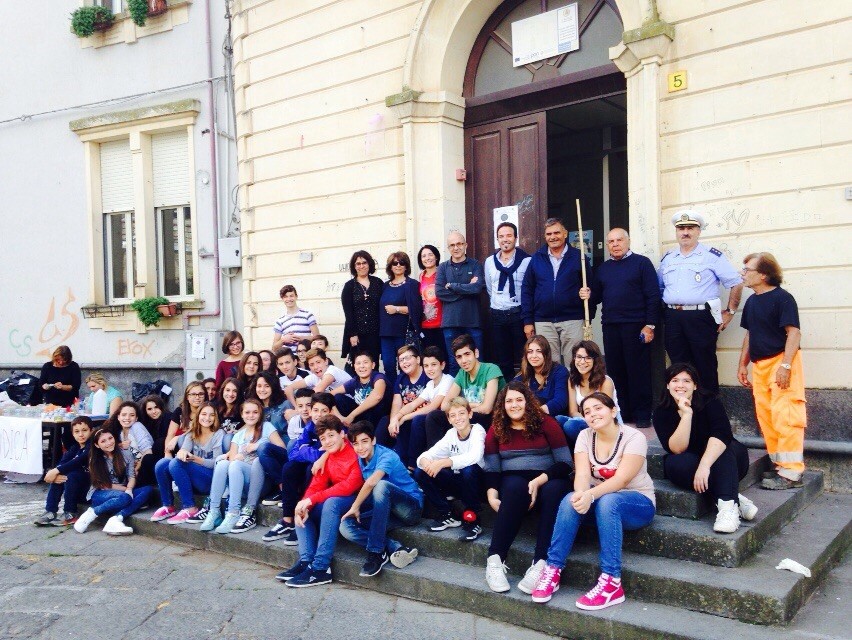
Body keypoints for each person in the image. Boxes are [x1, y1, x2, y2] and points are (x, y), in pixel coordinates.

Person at [529, 392, 656, 610]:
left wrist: (590, 495)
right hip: (599, 503)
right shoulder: (585, 436)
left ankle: (612, 582)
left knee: (608, 501)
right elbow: (581, 476)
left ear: (613, 410)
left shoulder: (634, 437)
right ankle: (552, 569)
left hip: (636, 503)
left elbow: (621, 480)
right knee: (570, 498)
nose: (592, 414)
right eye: (587, 411)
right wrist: (581, 494)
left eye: (598, 408)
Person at [483, 382, 572, 594]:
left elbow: (566, 463)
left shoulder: (546, 423)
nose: (514, 405)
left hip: (550, 478)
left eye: (519, 399)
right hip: (514, 480)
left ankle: (541, 563)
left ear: (528, 402)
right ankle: (495, 559)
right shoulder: (496, 429)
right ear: (502, 405)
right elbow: (492, 468)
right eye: (509, 401)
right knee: (514, 487)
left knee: (553, 491)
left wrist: (540, 480)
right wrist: (491, 495)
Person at [653, 363, 757, 534]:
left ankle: (727, 510)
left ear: (695, 385)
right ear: (667, 384)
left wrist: (705, 465)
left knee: (722, 451)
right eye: (675, 380)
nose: (680, 385)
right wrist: (686, 415)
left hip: (725, 456)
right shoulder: (661, 411)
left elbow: (722, 434)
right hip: (690, 460)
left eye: (686, 381)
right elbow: (677, 448)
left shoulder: (710, 401)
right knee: (676, 464)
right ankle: (731, 498)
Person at [737, 252, 807, 490]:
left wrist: (785, 366)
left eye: (747, 270)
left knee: (786, 416)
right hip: (760, 366)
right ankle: (780, 466)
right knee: (767, 416)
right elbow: (750, 334)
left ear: (764, 274)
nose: (743, 274)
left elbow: (794, 333)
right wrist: (742, 364)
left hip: (781, 363)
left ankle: (792, 473)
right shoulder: (752, 301)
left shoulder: (783, 298)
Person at [658, 210, 743, 394]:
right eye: (681, 228)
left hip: (701, 318)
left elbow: (735, 283)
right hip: (673, 317)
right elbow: (660, 287)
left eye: (690, 228)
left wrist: (730, 311)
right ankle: (683, 412)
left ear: (699, 231)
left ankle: (709, 413)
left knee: (704, 365)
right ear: (676, 231)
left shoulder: (711, 256)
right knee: (678, 366)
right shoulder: (668, 258)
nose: (685, 232)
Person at [277, 415, 364, 587]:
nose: (328, 441)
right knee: (301, 508)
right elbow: (316, 485)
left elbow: (349, 486)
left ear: (342, 434)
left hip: (358, 501)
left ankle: (321, 568)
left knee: (330, 502)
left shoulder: (355, 451)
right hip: (338, 500)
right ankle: (306, 562)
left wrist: (311, 499)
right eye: (323, 438)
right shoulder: (328, 456)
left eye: (331, 435)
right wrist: (304, 504)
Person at [339, 421, 423, 576]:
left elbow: (372, 482)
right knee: (346, 526)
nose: (360, 447)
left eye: (364, 441)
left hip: (410, 509)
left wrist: (355, 506)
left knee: (381, 485)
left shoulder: (387, 456)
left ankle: (376, 553)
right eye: (355, 444)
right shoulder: (361, 458)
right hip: (386, 510)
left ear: (373, 440)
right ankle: (394, 547)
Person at [595, 228, 660, 427]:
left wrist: (649, 325)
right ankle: (624, 413)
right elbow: (597, 296)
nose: (615, 244)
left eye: (619, 240)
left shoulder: (642, 263)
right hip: (611, 326)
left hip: (636, 326)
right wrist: (586, 293)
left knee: (638, 371)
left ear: (628, 241)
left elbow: (653, 295)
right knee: (616, 371)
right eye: (610, 241)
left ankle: (642, 415)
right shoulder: (603, 268)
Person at [201, 398, 286, 534]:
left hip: (261, 482)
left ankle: (236, 512)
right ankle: (214, 511)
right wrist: (237, 456)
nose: (251, 415)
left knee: (256, 461)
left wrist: (258, 446)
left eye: (255, 412)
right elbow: (233, 460)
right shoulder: (238, 436)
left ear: (260, 414)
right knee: (224, 464)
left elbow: (282, 449)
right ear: (241, 414)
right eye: (247, 412)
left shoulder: (267, 427)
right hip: (240, 483)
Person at [261, 393, 334, 545]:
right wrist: (312, 452)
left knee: (310, 469)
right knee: (289, 466)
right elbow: (294, 454)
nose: (318, 415)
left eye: (324, 411)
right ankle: (288, 520)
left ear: (331, 412)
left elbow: (327, 454)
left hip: (327, 474)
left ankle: (304, 515)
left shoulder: (334, 429)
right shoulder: (310, 427)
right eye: (315, 410)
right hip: (309, 465)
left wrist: (306, 451)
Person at [521, 218, 596, 366]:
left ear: (565, 234)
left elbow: (591, 287)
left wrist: (588, 313)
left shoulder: (578, 257)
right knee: (548, 366)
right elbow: (527, 290)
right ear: (545, 236)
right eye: (549, 233)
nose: (553, 237)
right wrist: (528, 320)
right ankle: (555, 390)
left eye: (557, 232)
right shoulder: (537, 258)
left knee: (574, 364)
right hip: (544, 321)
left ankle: (574, 389)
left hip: (572, 319)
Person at [415, 397, 486, 541]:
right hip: (459, 481)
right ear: (449, 419)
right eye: (453, 415)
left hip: (479, 483)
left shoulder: (478, 430)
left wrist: (443, 462)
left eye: (461, 413)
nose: (458, 418)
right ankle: (447, 514)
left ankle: (473, 520)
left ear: (469, 414)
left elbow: (475, 456)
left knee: (468, 469)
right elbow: (428, 455)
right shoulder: (451, 434)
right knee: (420, 472)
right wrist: (425, 461)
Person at [423, 334, 505, 452]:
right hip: (468, 416)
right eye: (459, 357)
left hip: (489, 419)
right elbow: (445, 405)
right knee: (434, 416)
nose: (464, 361)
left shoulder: (491, 369)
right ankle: (436, 456)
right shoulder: (462, 374)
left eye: (467, 354)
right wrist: (470, 405)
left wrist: (462, 410)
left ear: (476, 353)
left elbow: (487, 408)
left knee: (472, 416)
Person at [151, 402, 226, 524]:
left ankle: (190, 507)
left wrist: (195, 459)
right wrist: (183, 452)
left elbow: (217, 464)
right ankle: (168, 506)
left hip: (210, 480)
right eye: (204, 414)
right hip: (193, 480)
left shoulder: (218, 434)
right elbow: (184, 449)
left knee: (176, 463)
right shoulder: (192, 433)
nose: (207, 418)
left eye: (211, 415)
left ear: (216, 417)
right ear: (198, 415)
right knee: (162, 464)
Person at [74, 427, 153, 536]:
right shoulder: (95, 459)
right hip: (100, 493)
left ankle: (116, 519)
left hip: (121, 493)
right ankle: (92, 512)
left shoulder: (126, 453)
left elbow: (131, 476)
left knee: (147, 490)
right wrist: (126, 490)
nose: (109, 443)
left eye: (110, 438)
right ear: (97, 445)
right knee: (125, 498)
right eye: (103, 441)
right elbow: (103, 484)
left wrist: (129, 489)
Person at [485, 222, 531, 381]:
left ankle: (524, 389)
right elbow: (490, 289)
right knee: (502, 359)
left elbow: (529, 289)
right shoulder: (490, 262)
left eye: (509, 235)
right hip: (497, 315)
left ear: (516, 238)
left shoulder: (527, 260)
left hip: (518, 314)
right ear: (497, 239)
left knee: (523, 356)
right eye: (501, 236)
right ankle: (507, 392)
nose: (505, 239)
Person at [435, 232, 485, 375]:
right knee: (454, 362)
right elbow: (439, 292)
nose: (456, 248)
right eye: (452, 245)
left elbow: (477, 288)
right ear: (448, 248)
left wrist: (453, 286)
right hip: (450, 323)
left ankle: (479, 395)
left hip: (473, 321)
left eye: (459, 244)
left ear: (465, 245)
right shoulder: (443, 268)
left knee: (477, 360)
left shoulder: (475, 264)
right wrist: (466, 288)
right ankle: (456, 396)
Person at [561, 340, 624, 449]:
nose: (582, 361)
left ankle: (591, 450)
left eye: (588, 358)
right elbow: (573, 411)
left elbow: (605, 413)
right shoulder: (572, 380)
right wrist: (584, 419)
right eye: (579, 357)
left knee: (570, 426)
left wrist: (585, 420)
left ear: (595, 360)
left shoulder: (605, 381)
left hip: (607, 424)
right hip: (586, 419)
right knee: (558, 420)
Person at [401, 346, 455, 468]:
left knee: (419, 419)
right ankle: (405, 464)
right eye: (426, 366)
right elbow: (414, 403)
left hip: (450, 421)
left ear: (442, 365)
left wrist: (405, 417)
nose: (430, 369)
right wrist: (398, 417)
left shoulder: (448, 380)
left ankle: (417, 463)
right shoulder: (430, 384)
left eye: (433, 365)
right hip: (434, 421)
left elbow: (433, 407)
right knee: (404, 422)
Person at [35, 416, 93, 527]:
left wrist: (56, 470)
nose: (81, 434)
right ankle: (51, 511)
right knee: (59, 476)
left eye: (84, 430)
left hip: (88, 489)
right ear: (72, 433)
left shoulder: (92, 447)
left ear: (91, 431)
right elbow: (64, 462)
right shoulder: (75, 448)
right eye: (77, 431)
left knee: (70, 475)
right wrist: (55, 473)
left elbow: (78, 461)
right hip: (74, 486)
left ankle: (70, 512)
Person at [374, 344, 428, 451]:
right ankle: (377, 454)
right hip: (404, 415)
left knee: (412, 422)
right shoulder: (401, 378)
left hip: (421, 416)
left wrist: (401, 418)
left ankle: (408, 461)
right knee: (386, 420)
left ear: (418, 359)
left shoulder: (428, 375)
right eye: (401, 360)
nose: (404, 362)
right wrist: (394, 420)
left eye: (407, 358)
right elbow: (397, 403)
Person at [378, 251, 422, 378]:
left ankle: (406, 393)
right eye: (394, 263)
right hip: (385, 334)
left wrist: (396, 309)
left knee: (405, 366)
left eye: (401, 262)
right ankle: (393, 394)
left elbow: (416, 309)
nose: (398, 265)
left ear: (406, 266)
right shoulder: (385, 286)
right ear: (390, 266)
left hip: (403, 334)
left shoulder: (412, 284)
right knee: (388, 365)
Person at [341, 250, 384, 367]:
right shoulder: (349, 286)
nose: (361, 266)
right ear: (354, 267)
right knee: (359, 365)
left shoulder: (378, 283)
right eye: (358, 264)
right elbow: (348, 313)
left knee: (373, 364)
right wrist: (353, 334)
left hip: (375, 333)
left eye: (364, 262)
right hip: (357, 335)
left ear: (369, 264)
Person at [515, 336, 569, 417]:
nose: (534, 356)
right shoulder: (522, 376)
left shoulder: (559, 371)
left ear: (546, 353)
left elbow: (561, 400)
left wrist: (536, 413)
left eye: (539, 351)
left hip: (557, 419)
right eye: (530, 352)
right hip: (529, 420)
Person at [332, 351, 390, 427]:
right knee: (338, 398)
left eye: (365, 362)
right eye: (358, 363)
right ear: (354, 367)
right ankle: (349, 427)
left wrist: (352, 415)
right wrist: (340, 417)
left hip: (378, 418)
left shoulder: (378, 377)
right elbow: (330, 395)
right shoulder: (354, 381)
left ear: (373, 365)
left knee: (372, 409)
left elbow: (377, 397)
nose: (362, 366)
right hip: (361, 418)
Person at [284, 348, 352, 404]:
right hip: (336, 407)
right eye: (311, 364)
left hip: (352, 405)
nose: (315, 367)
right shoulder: (314, 376)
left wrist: (300, 408)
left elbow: (317, 392)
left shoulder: (332, 371)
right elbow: (289, 389)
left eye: (318, 362)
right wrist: (296, 407)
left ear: (326, 361)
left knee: (334, 398)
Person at [164, 381, 207, 458]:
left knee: (182, 439)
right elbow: (171, 434)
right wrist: (167, 453)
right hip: (179, 449)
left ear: (205, 396)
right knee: (161, 464)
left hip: (200, 449)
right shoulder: (179, 411)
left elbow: (199, 433)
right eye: (193, 394)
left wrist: (178, 437)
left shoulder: (208, 412)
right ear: (187, 397)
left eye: (201, 394)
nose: (197, 397)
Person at [272, 284, 320, 351]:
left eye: (291, 296)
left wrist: (301, 338)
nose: (289, 299)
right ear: (282, 299)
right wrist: (283, 340)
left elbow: (318, 338)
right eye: (285, 297)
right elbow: (274, 348)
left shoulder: (308, 315)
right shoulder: (280, 321)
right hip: (289, 359)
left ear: (296, 297)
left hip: (305, 356)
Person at [417, 244, 444, 353]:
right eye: (423, 256)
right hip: (425, 324)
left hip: (442, 324)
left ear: (436, 257)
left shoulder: (442, 273)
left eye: (430, 255)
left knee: (443, 356)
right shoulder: (421, 276)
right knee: (429, 356)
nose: (427, 258)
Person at [247, 371, 289, 441]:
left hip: (283, 444)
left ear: (273, 387)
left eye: (267, 386)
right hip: (260, 444)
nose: (262, 390)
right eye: (259, 386)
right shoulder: (255, 408)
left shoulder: (285, 405)